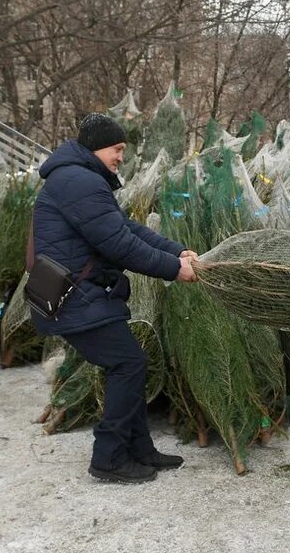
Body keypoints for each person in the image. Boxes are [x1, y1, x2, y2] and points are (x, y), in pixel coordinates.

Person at [30, 113, 198, 484]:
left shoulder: (81, 179)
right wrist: (174, 269)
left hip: (83, 292)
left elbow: (125, 227)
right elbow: (119, 245)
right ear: (96, 147)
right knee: (128, 364)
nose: (122, 156)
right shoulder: (79, 182)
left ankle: (139, 450)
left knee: (130, 363)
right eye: (117, 149)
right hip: (74, 295)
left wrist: (177, 250)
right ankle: (107, 458)